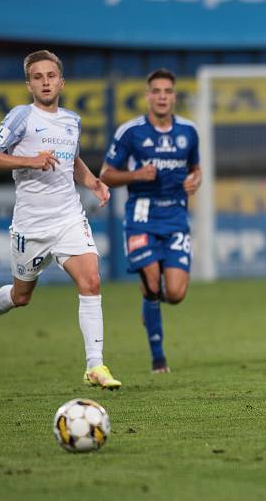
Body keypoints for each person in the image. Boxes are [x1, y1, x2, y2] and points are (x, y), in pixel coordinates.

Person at [0, 50, 121, 390]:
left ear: (62, 82)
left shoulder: (72, 120)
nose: (45, 82)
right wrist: (29, 160)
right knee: (22, 296)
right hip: (31, 226)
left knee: (91, 281)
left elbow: (72, 159)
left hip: (68, 217)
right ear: (29, 85)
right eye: (38, 77)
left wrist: (93, 181)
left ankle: (95, 365)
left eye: (51, 76)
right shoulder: (21, 116)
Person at [99, 68, 201, 374]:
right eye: (156, 91)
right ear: (147, 96)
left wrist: (195, 180)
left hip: (175, 217)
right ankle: (159, 359)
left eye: (167, 91)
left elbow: (196, 169)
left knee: (176, 294)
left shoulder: (188, 132)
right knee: (150, 285)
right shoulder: (130, 133)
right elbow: (105, 174)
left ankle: (151, 303)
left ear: (174, 96)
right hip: (141, 217)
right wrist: (135, 175)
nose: (161, 97)